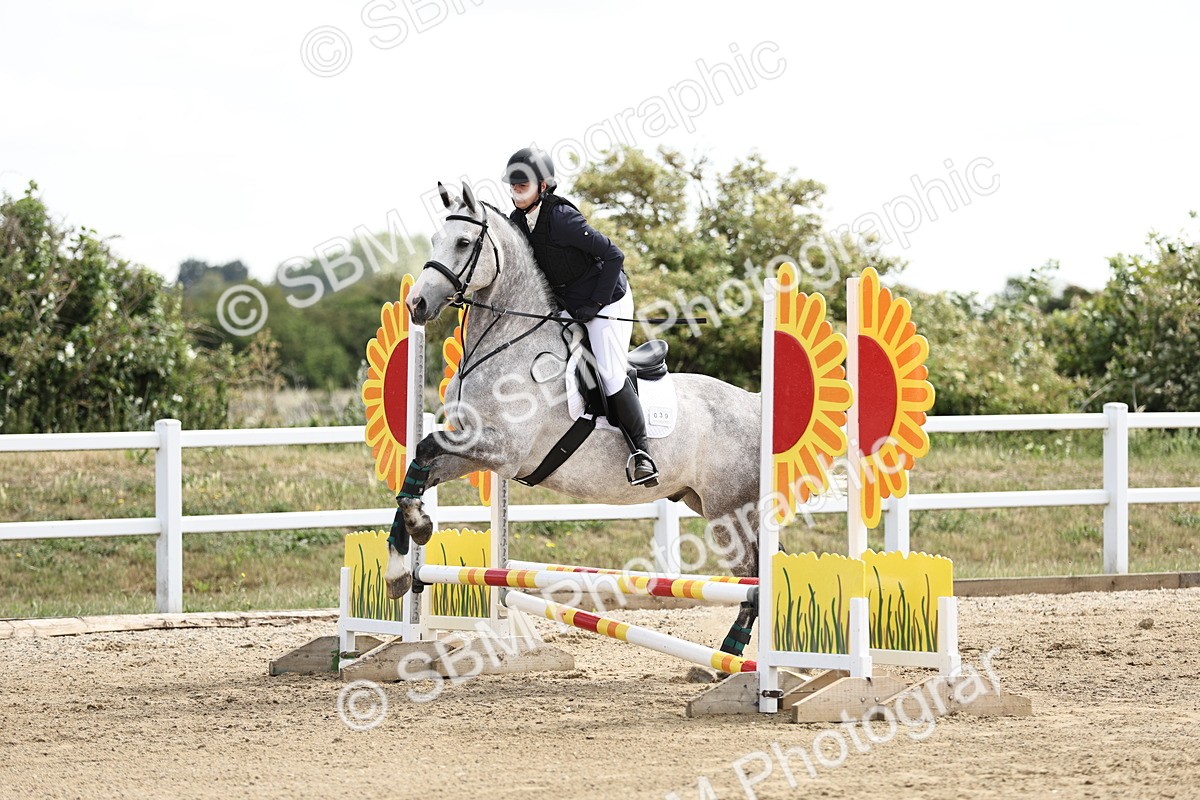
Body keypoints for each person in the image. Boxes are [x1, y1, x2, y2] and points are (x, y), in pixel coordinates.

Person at [502, 146, 658, 487]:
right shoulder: (516, 223)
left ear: (543, 186)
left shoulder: (562, 218)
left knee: (610, 371)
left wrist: (593, 306)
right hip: (569, 303)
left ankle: (642, 453)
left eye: (523, 185)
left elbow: (614, 256)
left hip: (607, 300)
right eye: (513, 185)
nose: (516, 191)